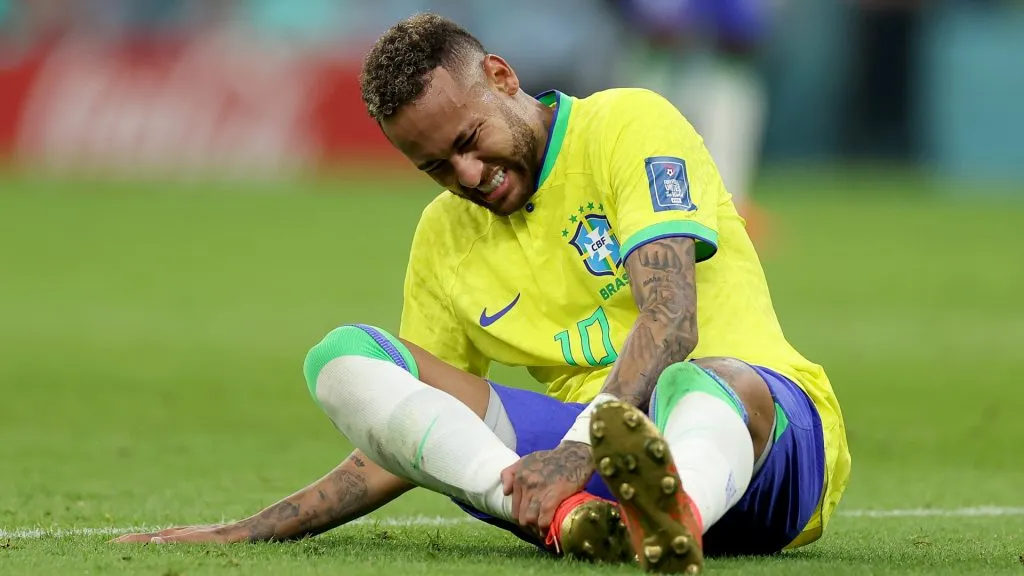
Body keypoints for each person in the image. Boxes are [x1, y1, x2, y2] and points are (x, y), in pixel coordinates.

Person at [114, 13, 851, 574]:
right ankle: (576, 523)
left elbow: (672, 321)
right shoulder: (444, 238)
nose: (465, 176)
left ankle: (671, 509)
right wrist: (251, 528)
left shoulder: (629, 124)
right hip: (590, 466)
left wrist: (572, 453)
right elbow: (409, 438)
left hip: (763, 447)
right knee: (342, 358)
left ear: (501, 76)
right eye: (435, 167)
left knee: (704, 380)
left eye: (468, 141)